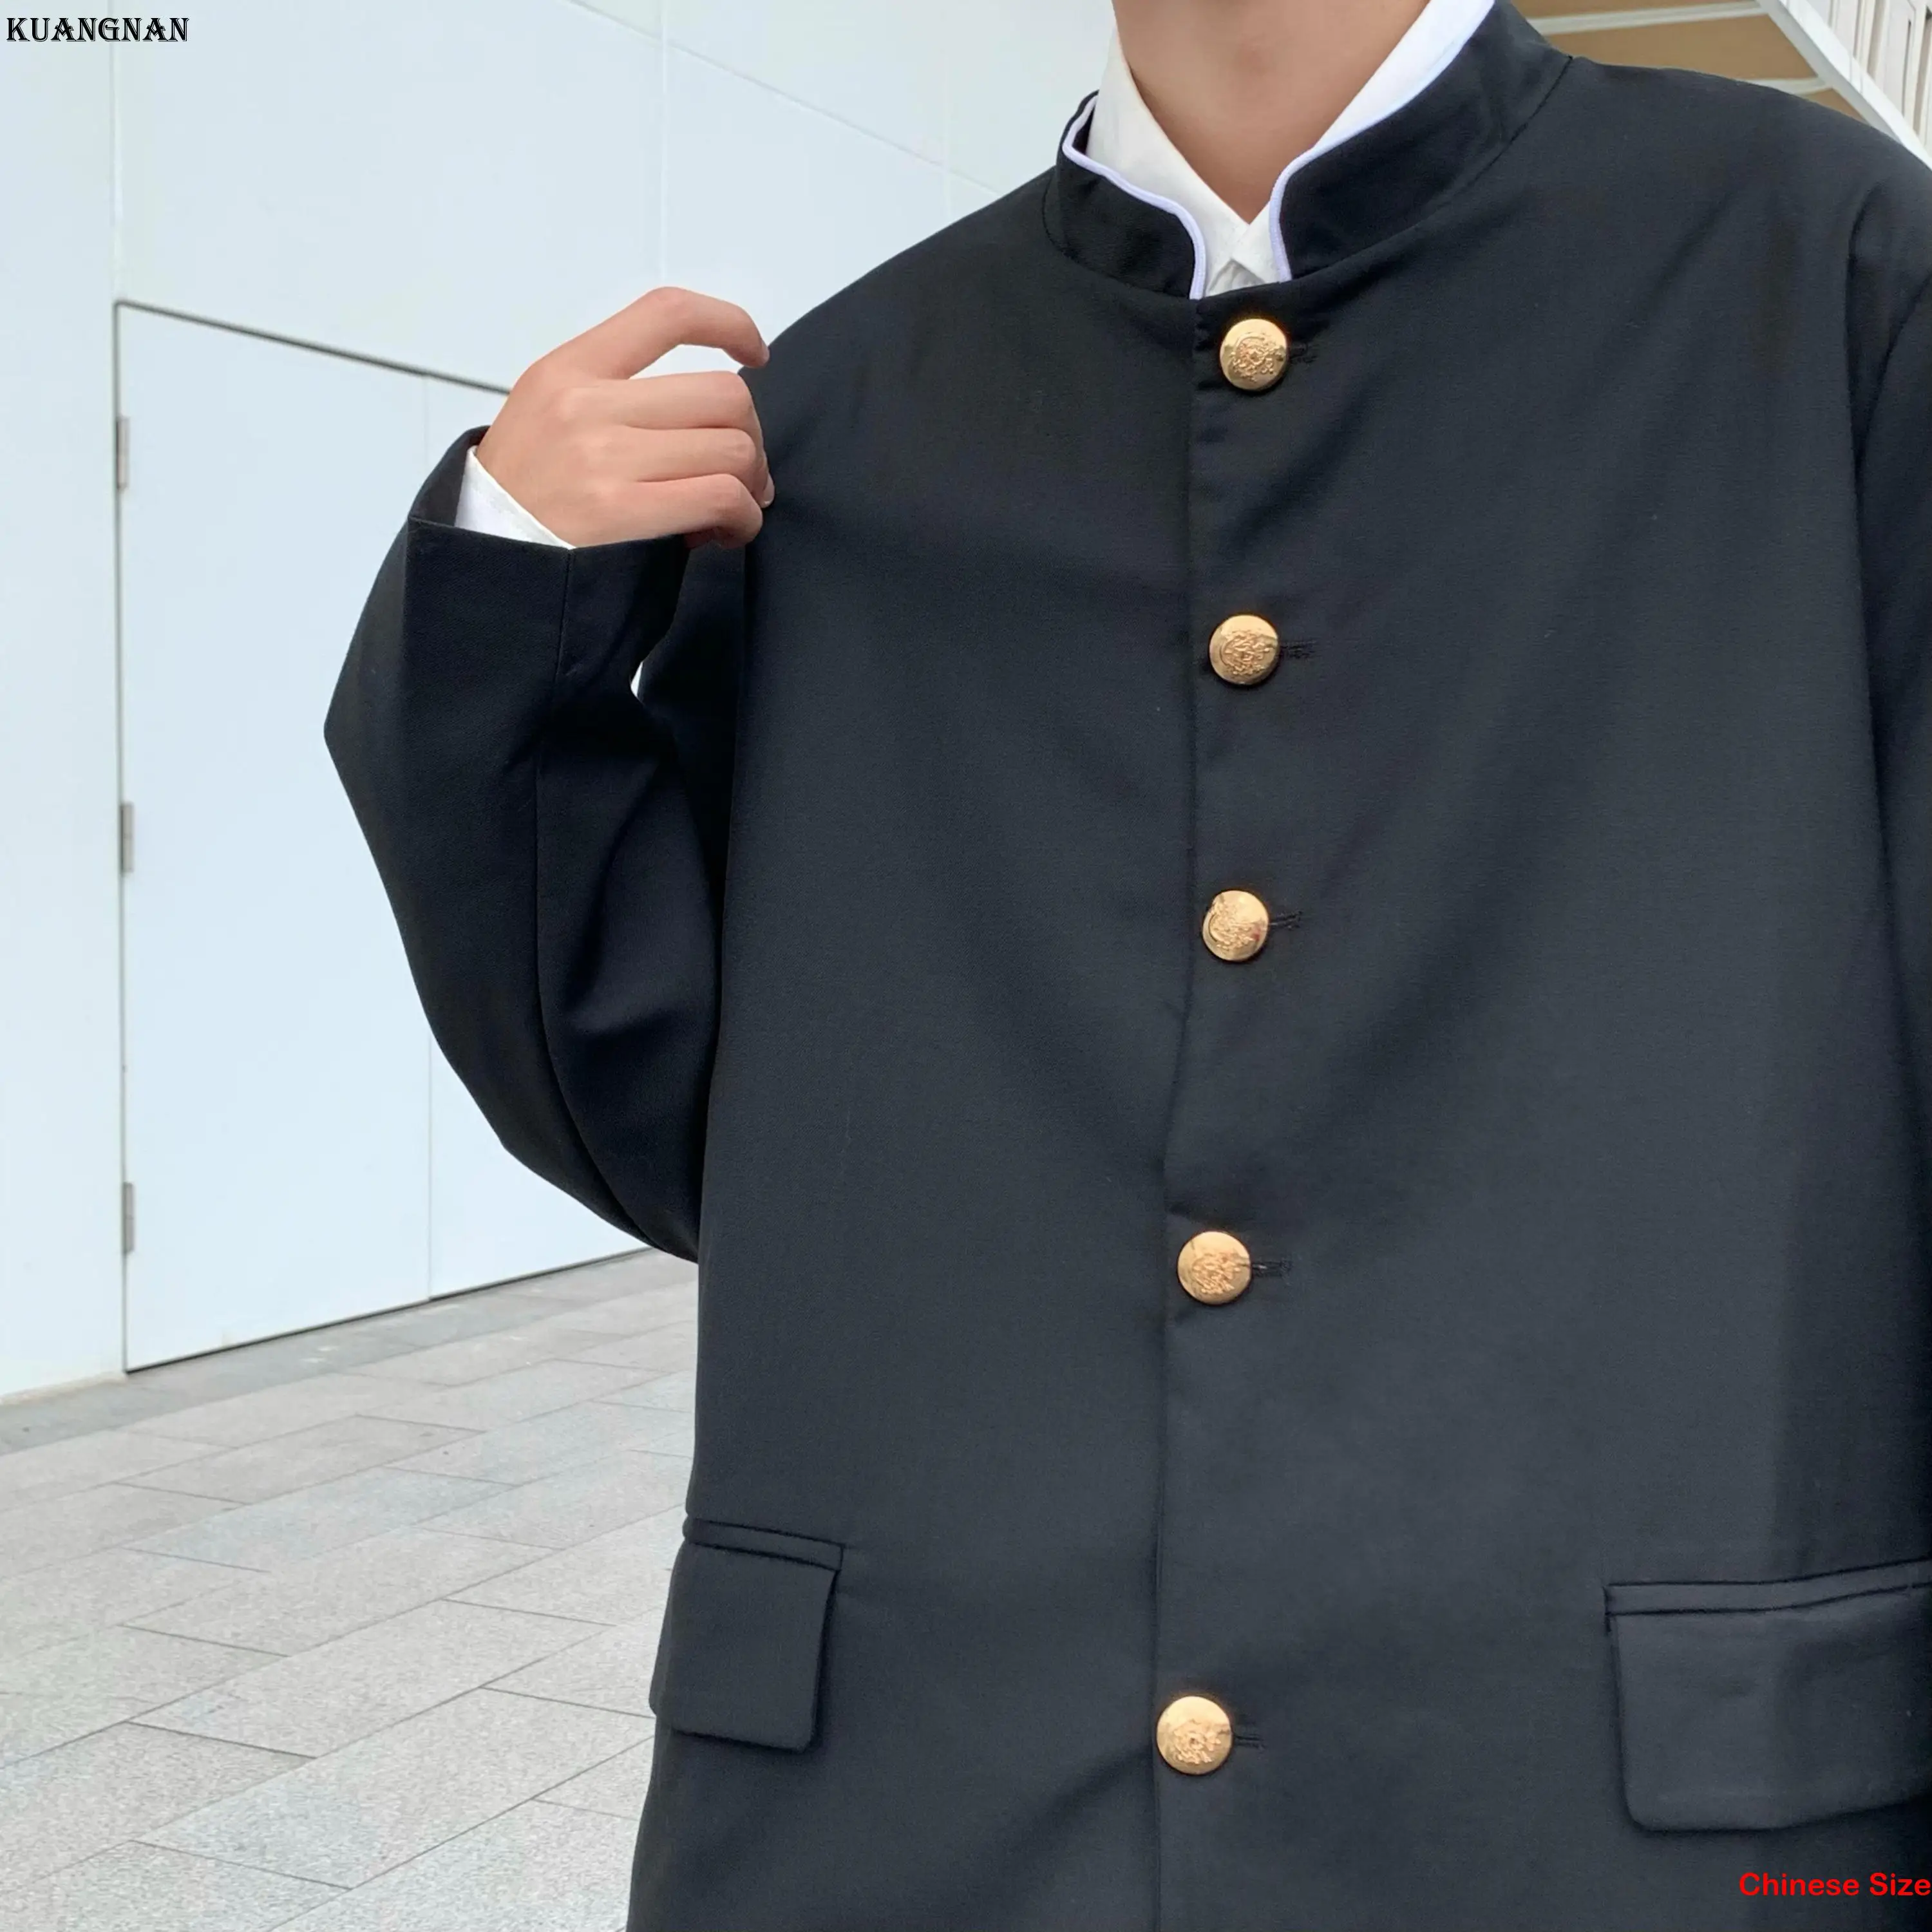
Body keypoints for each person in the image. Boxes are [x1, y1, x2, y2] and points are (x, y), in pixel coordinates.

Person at [326, 0, 1932, 1924]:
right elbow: (650, 1094)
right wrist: (509, 589)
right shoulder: (847, 410)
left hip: (1623, 1834)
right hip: (927, 1815)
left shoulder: (1831, 285)